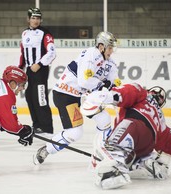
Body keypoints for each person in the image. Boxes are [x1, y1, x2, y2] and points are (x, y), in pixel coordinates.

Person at [80, 83, 171, 189]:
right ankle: (144, 164)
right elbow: (168, 141)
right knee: (136, 150)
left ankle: (114, 170)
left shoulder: (143, 94)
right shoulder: (161, 118)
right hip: (146, 145)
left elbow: (129, 91)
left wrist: (110, 96)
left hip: (135, 129)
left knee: (122, 132)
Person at [34, 31, 121, 164]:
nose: (111, 51)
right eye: (110, 48)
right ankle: (47, 149)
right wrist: (104, 85)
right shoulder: (91, 54)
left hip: (83, 96)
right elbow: (84, 82)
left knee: (104, 119)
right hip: (66, 95)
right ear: (101, 46)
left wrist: (120, 95)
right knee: (75, 132)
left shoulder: (110, 62)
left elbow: (115, 83)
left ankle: (103, 151)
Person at [18, 7, 56, 134]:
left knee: (41, 98)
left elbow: (52, 52)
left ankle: (47, 128)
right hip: (29, 71)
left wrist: (39, 64)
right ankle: (37, 126)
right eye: (33, 18)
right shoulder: (24, 34)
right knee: (30, 97)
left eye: (38, 18)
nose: (35, 20)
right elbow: (23, 54)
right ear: (28, 19)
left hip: (40, 70)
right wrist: (20, 69)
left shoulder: (45, 33)